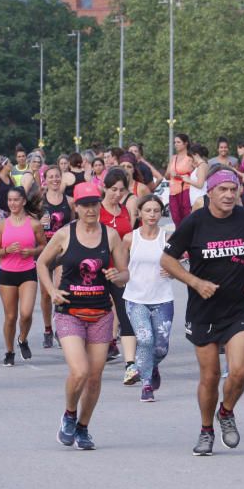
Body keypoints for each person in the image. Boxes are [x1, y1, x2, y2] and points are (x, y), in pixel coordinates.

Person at [161, 166, 244, 456]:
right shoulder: (194, 223)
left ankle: (226, 412)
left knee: (239, 372)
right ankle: (206, 430)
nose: (228, 195)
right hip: (204, 310)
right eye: (222, 189)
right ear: (209, 191)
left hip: (239, 306)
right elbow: (167, 260)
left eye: (233, 190)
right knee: (210, 376)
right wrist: (195, 282)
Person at [38, 182, 129, 451]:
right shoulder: (65, 235)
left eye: (94, 204)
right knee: (80, 371)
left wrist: (117, 275)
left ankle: (84, 427)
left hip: (101, 312)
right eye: (85, 205)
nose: (91, 209)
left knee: (95, 376)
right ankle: (69, 414)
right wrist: (52, 290)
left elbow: (125, 274)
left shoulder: (110, 235)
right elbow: (42, 262)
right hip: (70, 312)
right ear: (76, 207)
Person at [121, 195, 174, 402]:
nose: (152, 214)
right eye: (148, 210)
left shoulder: (167, 238)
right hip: (136, 297)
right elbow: (122, 266)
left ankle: (150, 367)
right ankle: (146, 384)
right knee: (145, 339)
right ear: (140, 213)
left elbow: (178, 264)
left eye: (156, 211)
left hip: (162, 298)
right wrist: (118, 278)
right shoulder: (129, 238)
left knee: (161, 347)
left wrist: (172, 272)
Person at [0, 186, 45, 366]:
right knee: (10, 317)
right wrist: (6, 250)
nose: (13, 203)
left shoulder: (34, 224)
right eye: (10, 200)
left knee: (26, 313)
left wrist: (32, 251)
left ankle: (22, 339)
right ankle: (9, 351)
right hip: (7, 273)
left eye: (16, 200)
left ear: (24, 201)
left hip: (27, 271)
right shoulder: (2, 225)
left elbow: (43, 246)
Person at [99, 168, 137, 368]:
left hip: (120, 270)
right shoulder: (96, 210)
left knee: (125, 312)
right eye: (113, 189)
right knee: (101, 314)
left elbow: (130, 239)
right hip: (98, 270)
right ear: (105, 188)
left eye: (121, 190)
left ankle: (130, 363)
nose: (117, 194)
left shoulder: (123, 211)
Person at [39, 165, 74, 348]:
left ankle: (60, 327)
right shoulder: (38, 202)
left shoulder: (69, 201)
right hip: (44, 251)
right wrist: (39, 222)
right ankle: (47, 328)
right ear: (45, 180)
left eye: (57, 176)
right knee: (45, 293)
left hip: (62, 252)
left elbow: (75, 224)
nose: (54, 179)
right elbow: (31, 226)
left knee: (60, 289)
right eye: (50, 177)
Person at [166, 134, 194, 226]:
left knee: (186, 217)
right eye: (175, 142)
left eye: (178, 142)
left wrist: (178, 175)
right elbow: (166, 176)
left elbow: (196, 175)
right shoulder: (173, 158)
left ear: (185, 143)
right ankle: (179, 238)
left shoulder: (190, 158)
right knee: (175, 218)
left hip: (185, 190)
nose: (176, 144)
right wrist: (169, 173)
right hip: (173, 192)